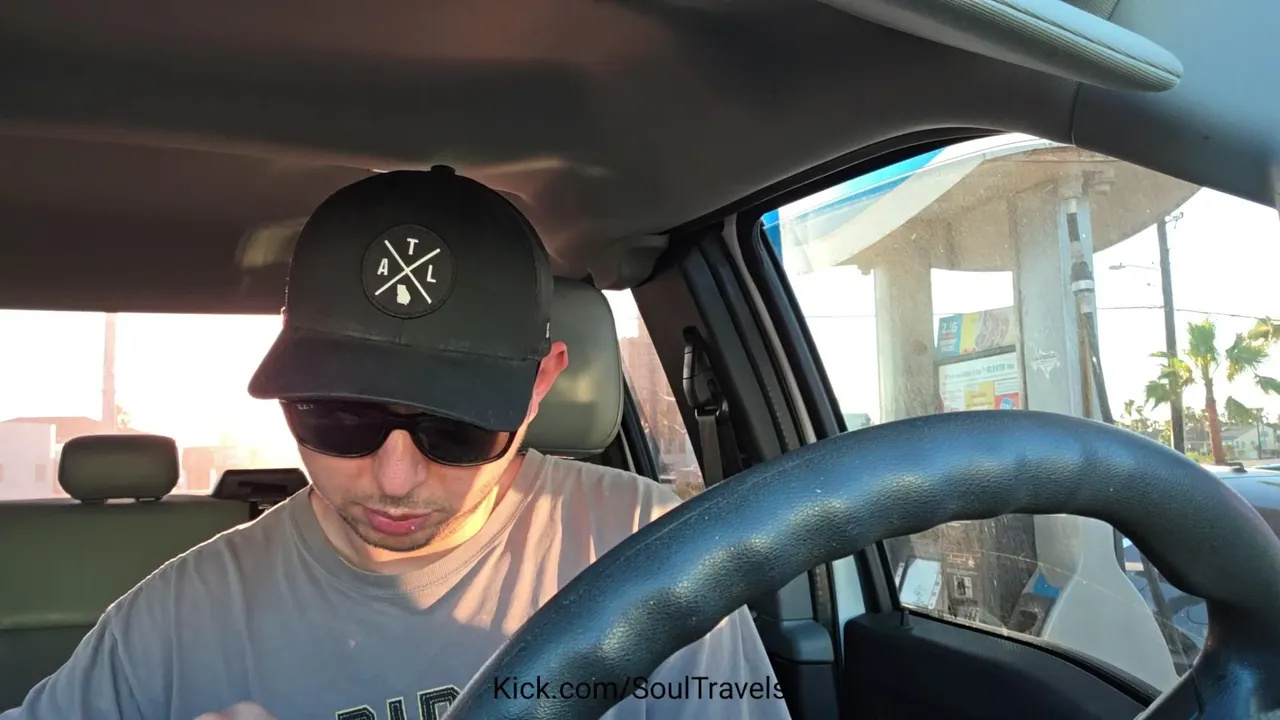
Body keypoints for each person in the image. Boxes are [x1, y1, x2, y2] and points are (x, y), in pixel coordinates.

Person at [3, 168, 790, 719]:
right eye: (339, 417)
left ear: (540, 385)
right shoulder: (177, 622)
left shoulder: (649, 554)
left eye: (457, 426)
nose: (395, 476)